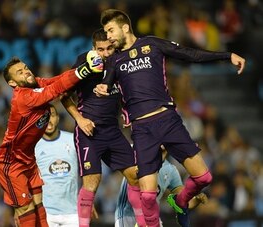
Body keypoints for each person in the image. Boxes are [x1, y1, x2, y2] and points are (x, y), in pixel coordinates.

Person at [94, 9, 245, 227]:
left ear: (125, 27)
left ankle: (180, 201)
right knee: (147, 197)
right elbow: (106, 85)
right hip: (142, 128)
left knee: (204, 178)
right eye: (106, 31)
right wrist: (101, 88)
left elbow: (189, 54)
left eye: (110, 30)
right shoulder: (114, 60)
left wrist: (226, 56)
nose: (108, 35)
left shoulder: (153, 44)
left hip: (168, 120)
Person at [0, 54, 103, 227]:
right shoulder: (23, 98)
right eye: (19, 72)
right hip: (11, 162)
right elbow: (55, 90)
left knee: (39, 205)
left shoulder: (35, 84)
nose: (26, 72)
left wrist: (83, 71)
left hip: (28, 159)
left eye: (26, 68)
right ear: (12, 83)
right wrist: (85, 70)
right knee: (27, 209)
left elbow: (57, 80)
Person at [61, 28, 142, 227]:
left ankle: (143, 222)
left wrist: (126, 112)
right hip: (89, 132)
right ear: (93, 49)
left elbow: (125, 91)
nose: (105, 53)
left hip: (112, 131)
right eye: (101, 49)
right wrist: (80, 119)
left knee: (136, 176)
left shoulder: (119, 62)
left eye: (109, 48)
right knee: (92, 181)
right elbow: (64, 95)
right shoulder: (84, 63)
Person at [115, 146, 208, 227]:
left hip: (151, 218)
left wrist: (196, 200)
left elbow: (182, 202)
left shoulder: (171, 170)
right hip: (127, 216)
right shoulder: (136, 154)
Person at [34, 104, 79, 226]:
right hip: (47, 213)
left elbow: (86, 171)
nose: (48, 120)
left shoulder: (73, 140)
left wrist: (87, 200)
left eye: (52, 115)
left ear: (58, 118)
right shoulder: (34, 146)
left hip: (73, 213)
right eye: (44, 116)